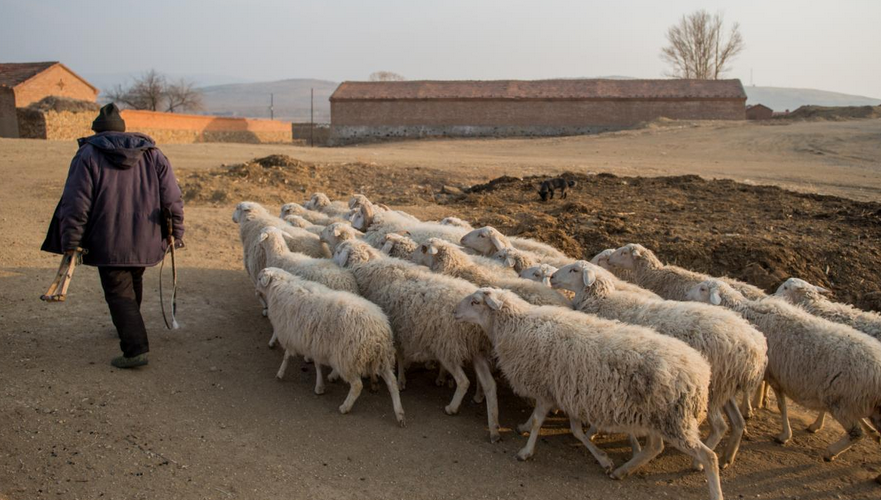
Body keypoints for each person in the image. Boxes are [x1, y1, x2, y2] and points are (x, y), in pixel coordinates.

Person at [42, 103, 185, 369]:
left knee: (118, 289)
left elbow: (76, 201)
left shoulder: (87, 154)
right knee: (132, 277)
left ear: (97, 131)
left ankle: (135, 349)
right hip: (146, 235)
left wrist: (71, 239)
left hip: (106, 238)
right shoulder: (153, 154)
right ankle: (129, 323)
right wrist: (176, 231)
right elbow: (172, 197)